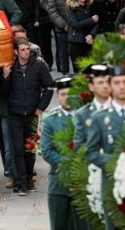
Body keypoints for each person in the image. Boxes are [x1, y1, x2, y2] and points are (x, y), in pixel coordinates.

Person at [86, 63, 125, 229]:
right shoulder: (100, 118)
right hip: (111, 184)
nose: (121, 87)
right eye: (117, 82)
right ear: (110, 85)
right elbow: (91, 152)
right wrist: (115, 162)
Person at [6, 37, 53, 195]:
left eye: (28, 49)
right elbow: (4, 92)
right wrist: (5, 77)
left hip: (32, 114)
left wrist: (40, 108)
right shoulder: (11, 67)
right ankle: (21, 182)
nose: (26, 52)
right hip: (15, 114)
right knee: (18, 149)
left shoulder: (39, 65)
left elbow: (49, 87)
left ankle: (28, 179)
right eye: (23, 50)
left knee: (30, 150)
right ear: (16, 52)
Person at [41, 76, 78, 229]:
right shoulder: (51, 121)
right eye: (63, 94)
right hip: (59, 185)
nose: (66, 98)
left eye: (70, 94)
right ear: (58, 97)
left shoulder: (84, 118)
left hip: (81, 186)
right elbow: (47, 151)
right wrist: (72, 164)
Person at [73, 63, 112, 150]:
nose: (105, 86)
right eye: (100, 82)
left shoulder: (119, 109)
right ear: (91, 86)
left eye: (108, 82)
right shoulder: (83, 114)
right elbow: (79, 146)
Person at [48, 0, 76, 75]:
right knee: (63, 55)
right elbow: (52, 10)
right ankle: (65, 76)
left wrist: (75, 24)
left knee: (77, 55)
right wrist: (64, 25)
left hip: (77, 28)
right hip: (61, 29)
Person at [66, 0, 98, 73]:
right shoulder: (70, 7)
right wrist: (91, 20)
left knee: (90, 71)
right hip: (75, 43)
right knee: (79, 72)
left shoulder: (91, 6)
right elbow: (76, 25)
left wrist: (92, 34)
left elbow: (97, 22)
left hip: (88, 42)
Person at [34, 0, 59, 69]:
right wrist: (44, 6)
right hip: (44, 17)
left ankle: (61, 64)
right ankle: (48, 64)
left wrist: (53, 7)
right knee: (45, 44)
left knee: (60, 43)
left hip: (58, 17)